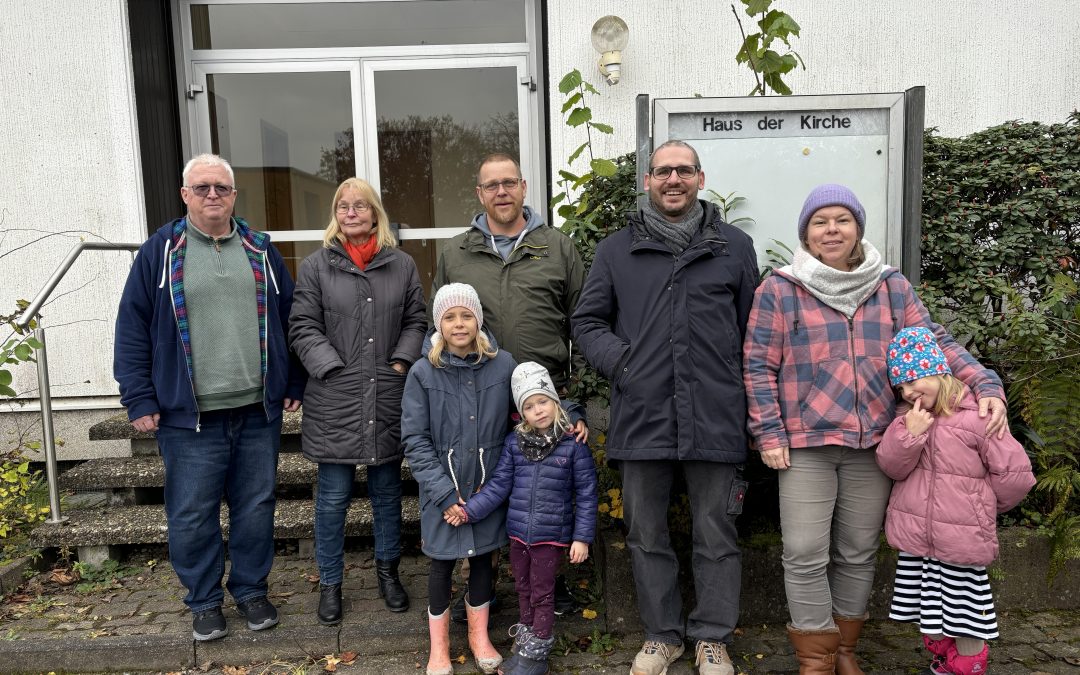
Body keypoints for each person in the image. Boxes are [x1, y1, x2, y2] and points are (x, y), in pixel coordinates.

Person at [743, 184, 1009, 674]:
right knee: (803, 551)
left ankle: (845, 650)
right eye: (820, 222)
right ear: (806, 232)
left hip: (877, 443)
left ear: (858, 229)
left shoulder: (890, 286)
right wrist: (770, 434)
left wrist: (985, 383)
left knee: (858, 550)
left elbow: (936, 342)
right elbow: (759, 366)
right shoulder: (780, 289)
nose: (831, 230)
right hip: (806, 444)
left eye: (842, 220)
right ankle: (815, 659)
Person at [572, 140, 759, 675]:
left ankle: (712, 638)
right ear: (647, 181)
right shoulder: (616, 250)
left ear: (701, 178)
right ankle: (662, 635)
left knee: (716, 531)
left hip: (717, 412)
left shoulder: (735, 247)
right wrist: (625, 365)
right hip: (644, 412)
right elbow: (587, 323)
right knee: (645, 532)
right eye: (662, 171)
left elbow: (755, 332)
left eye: (683, 170)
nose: (672, 179)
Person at [114, 153, 305, 641]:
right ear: (185, 195)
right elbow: (132, 326)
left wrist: (294, 381)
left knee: (256, 506)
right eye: (202, 188)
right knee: (192, 512)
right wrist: (139, 397)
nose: (212, 196)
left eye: (221, 188)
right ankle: (203, 601)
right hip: (189, 416)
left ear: (234, 195)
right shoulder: (161, 252)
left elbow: (292, 321)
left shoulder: (260, 249)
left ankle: (250, 590)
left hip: (256, 410)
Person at [432, 152, 587, 620]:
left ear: (523, 187)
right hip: (478, 394)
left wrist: (574, 402)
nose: (501, 192)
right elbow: (438, 327)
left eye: (509, 183)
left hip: (545, 396)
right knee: (485, 481)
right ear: (479, 194)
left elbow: (584, 325)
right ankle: (484, 584)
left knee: (548, 485)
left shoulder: (557, 247)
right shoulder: (456, 252)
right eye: (491, 185)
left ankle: (549, 578)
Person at [288, 178, 426, 624]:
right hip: (336, 397)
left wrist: (402, 363)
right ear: (335, 213)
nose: (351, 212)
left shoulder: (401, 264)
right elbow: (302, 326)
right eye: (343, 206)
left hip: (387, 392)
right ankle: (330, 584)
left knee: (387, 495)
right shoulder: (315, 266)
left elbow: (416, 320)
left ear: (374, 214)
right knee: (332, 498)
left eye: (360, 206)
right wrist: (330, 367)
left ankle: (388, 574)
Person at [877, 327, 1034, 675]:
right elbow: (891, 466)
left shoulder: (978, 416)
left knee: (964, 615)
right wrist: (909, 435)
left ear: (937, 370)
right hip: (919, 542)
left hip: (961, 541)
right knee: (928, 613)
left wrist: (981, 509)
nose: (908, 391)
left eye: (914, 380)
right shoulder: (907, 419)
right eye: (901, 386)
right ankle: (943, 658)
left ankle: (966, 666)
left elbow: (1015, 475)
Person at [401, 283, 514, 675]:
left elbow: (535, 398)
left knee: (484, 559)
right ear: (438, 325)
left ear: (478, 320)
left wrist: (571, 412)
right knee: (441, 565)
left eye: (467, 315)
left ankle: (479, 637)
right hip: (442, 492)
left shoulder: (503, 365)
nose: (459, 323)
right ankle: (439, 647)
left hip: (486, 487)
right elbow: (415, 439)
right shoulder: (422, 372)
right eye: (449, 317)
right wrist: (444, 493)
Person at [458, 361, 599, 675]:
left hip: (551, 537)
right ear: (521, 413)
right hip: (519, 535)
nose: (539, 410)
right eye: (529, 405)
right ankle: (525, 644)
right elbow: (498, 486)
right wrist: (469, 511)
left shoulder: (572, 445)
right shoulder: (514, 444)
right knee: (522, 589)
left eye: (543, 402)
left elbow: (587, 494)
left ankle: (536, 657)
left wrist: (581, 538)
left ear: (555, 402)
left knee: (542, 593)